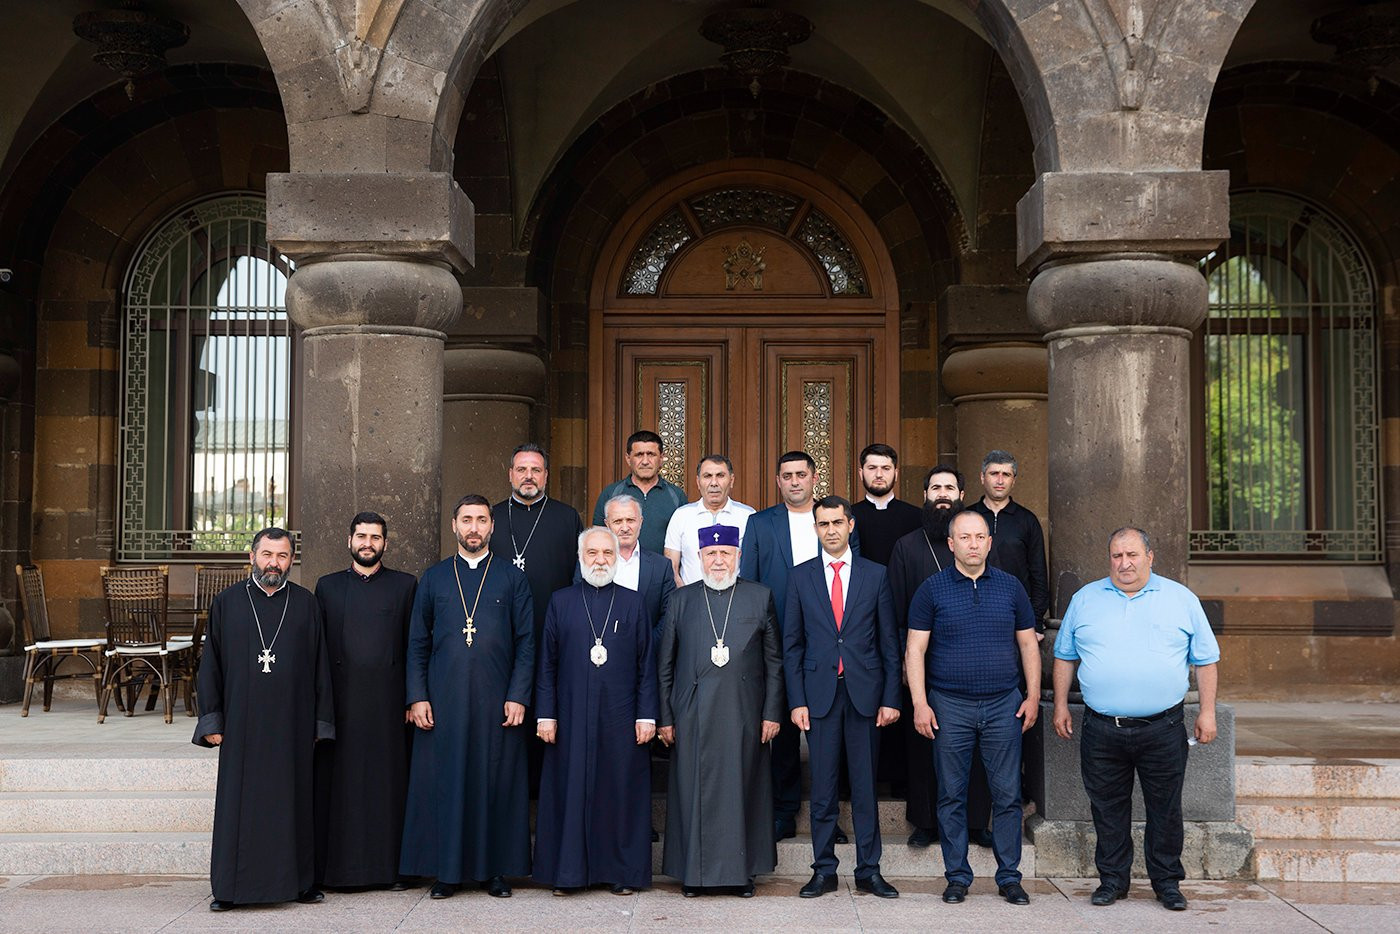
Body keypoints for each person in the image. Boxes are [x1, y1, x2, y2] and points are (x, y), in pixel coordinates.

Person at [1052, 527, 1220, 912]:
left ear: (1150, 556)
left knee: (1166, 809)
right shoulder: (1085, 599)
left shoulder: (1180, 599)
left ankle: (1167, 883)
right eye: (1117, 556)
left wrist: (1208, 712)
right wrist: (1060, 705)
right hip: (1102, 727)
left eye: (1132, 555)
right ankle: (1112, 881)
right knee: (1107, 809)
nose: (1124, 563)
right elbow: (1064, 655)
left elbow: (1206, 659)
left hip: (1163, 728)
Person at [400, 494, 534, 900]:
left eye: (481, 520)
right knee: (447, 784)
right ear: (454, 526)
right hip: (444, 702)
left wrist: (518, 695)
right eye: (466, 520)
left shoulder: (512, 578)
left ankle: (495, 872)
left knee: (496, 784)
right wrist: (417, 696)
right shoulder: (434, 578)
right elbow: (417, 643)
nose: (473, 528)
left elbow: (526, 643)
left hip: (498, 702)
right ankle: (447, 873)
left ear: (492, 526)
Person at [194, 527, 334, 912]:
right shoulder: (227, 603)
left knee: (293, 803)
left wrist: (320, 723)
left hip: (293, 724)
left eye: (282, 556)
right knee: (240, 806)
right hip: (242, 725)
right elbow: (211, 666)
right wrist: (212, 721)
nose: (274, 563)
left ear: (292, 560)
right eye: (268, 554)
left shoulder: (305, 604)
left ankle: (299, 884)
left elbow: (320, 667)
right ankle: (230, 889)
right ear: (252, 557)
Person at [905, 510, 1040, 907]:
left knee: (1007, 795)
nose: (973, 544)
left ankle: (1009, 877)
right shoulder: (931, 590)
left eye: (980, 536)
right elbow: (915, 649)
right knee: (951, 794)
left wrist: (1032, 696)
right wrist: (920, 703)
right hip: (950, 705)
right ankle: (957, 877)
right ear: (951, 544)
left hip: (1003, 704)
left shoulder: (1011, 587)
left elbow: (1028, 644)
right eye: (965, 537)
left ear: (989, 542)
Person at [783, 496, 902, 899]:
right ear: (815, 529)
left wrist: (891, 698)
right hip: (819, 696)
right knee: (822, 789)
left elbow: (889, 643)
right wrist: (796, 701)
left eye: (837, 522)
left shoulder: (875, 575)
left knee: (865, 787)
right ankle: (824, 870)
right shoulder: (800, 577)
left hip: (865, 695)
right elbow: (792, 646)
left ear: (851, 525)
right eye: (823, 524)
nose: (831, 530)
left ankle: (869, 870)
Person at [657, 524, 784, 897]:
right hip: (691, 714)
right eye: (711, 554)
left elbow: (774, 663)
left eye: (725, 553)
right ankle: (693, 875)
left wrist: (772, 713)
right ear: (699, 557)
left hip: (744, 714)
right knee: (693, 792)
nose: (718, 560)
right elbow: (665, 665)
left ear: (737, 556)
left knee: (743, 791)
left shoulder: (759, 597)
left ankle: (742, 873)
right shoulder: (681, 600)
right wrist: (665, 717)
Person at [739, 450, 856, 842]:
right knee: (784, 731)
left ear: (814, 477)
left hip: (829, 641)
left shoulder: (832, 519)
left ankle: (829, 817)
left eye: (800, 475)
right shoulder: (760, 523)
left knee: (829, 732)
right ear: (778, 481)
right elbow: (749, 582)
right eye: (786, 475)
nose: (794, 482)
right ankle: (784, 811)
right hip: (777, 638)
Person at [534, 527, 658, 895]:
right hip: (570, 716)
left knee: (619, 792)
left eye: (607, 553)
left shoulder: (634, 603)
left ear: (616, 557)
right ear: (580, 557)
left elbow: (646, 665)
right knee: (569, 792)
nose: (600, 560)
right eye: (592, 553)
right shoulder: (561, 602)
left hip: (621, 717)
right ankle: (568, 874)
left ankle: (620, 873)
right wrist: (545, 714)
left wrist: (647, 715)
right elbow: (547, 664)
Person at [886, 464, 993, 850]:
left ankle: (977, 821)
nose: (942, 494)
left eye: (949, 487)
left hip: (973, 661)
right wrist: (902, 660)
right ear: (925, 496)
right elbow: (895, 609)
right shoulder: (907, 546)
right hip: (922, 664)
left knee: (976, 746)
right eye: (935, 488)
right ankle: (925, 822)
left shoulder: (977, 542)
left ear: (962, 495)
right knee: (923, 742)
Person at [313, 511, 417, 890]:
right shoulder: (327, 587)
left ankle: (391, 871)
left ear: (385, 543)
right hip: (341, 707)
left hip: (389, 709)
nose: (367, 543)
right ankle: (337, 873)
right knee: (341, 790)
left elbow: (414, 648)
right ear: (349, 541)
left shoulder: (405, 586)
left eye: (375, 537)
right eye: (361, 536)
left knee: (387, 789)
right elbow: (318, 652)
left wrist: (413, 699)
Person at [489, 443, 583, 793]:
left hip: (552, 634)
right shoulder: (491, 518)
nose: (528, 476)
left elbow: (578, 578)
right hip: (500, 638)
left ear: (546, 475)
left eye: (536, 470)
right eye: (522, 469)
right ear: (510, 474)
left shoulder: (567, 518)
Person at [968, 450, 1049, 629]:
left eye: (1006, 475)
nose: (1000, 480)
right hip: (970, 610)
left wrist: (1035, 621)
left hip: (1016, 613)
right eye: (994, 473)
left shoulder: (1027, 520)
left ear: (1014, 480)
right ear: (982, 477)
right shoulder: (966, 517)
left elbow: (1038, 574)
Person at [575, 495, 676, 640]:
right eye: (617, 521)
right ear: (607, 524)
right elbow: (579, 605)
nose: (625, 528)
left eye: (630, 520)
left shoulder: (661, 566)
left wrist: (646, 646)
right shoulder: (590, 563)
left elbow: (668, 616)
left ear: (640, 522)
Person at [663, 454, 755, 586]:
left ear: (731, 480)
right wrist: (684, 596)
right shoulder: (681, 515)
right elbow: (672, 568)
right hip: (692, 597)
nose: (714, 483)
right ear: (698, 482)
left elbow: (755, 567)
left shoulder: (748, 516)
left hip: (737, 597)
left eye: (720, 476)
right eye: (707, 476)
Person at [591, 430, 688, 555]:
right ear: (628, 459)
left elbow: (685, 541)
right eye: (639, 455)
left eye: (651, 454)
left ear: (661, 458)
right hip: (620, 567)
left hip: (664, 567)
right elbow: (598, 539)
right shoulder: (611, 494)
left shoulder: (677, 496)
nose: (645, 461)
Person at [850, 443, 921, 567]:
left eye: (886, 468)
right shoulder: (848, 516)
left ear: (896, 474)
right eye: (872, 468)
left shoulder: (917, 516)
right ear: (861, 473)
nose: (879, 474)